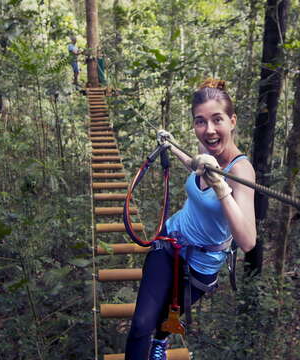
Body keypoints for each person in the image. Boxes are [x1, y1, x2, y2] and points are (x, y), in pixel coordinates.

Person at [125, 79, 257, 360]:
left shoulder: (241, 171)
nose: (208, 130)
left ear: (232, 121)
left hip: (203, 263)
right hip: (171, 241)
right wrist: (171, 147)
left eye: (217, 120)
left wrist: (223, 189)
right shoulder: (208, 155)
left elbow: (247, 241)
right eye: (200, 121)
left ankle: (160, 341)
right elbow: (194, 166)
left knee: (164, 319)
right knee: (140, 325)